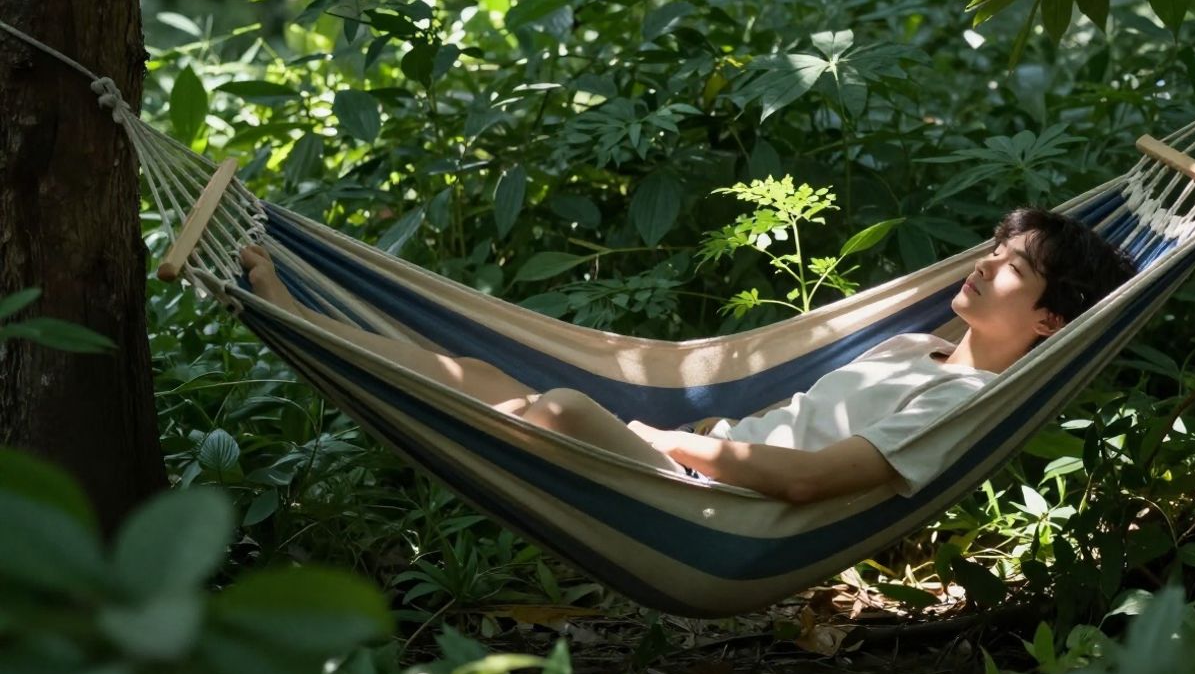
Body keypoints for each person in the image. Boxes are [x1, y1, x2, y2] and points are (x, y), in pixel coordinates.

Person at [239, 207, 1135, 504]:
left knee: (554, 411)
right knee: (485, 378)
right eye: (991, 247)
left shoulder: (962, 409)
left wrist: (660, 437)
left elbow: (809, 481)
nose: (982, 265)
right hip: (695, 457)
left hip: (718, 512)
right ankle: (304, 316)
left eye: (1010, 267)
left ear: (1054, 321)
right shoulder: (919, 345)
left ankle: (304, 321)